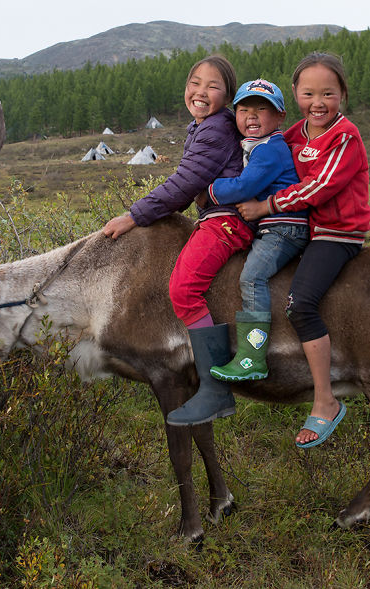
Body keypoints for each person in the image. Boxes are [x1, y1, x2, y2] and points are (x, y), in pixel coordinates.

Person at [103, 55, 250, 427]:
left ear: (228, 96)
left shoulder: (216, 129)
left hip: (226, 221)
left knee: (184, 289)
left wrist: (133, 215)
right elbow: (189, 187)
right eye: (194, 83)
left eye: (213, 86)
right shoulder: (203, 125)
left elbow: (184, 186)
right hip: (218, 216)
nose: (201, 92)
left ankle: (216, 390)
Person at [237, 53, 370, 449]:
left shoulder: (345, 136)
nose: (318, 102)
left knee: (300, 303)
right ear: (295, 93)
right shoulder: (292, 135)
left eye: (328, 93)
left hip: (336, 232)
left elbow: (321, 187)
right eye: (309, 92)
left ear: (342, 95)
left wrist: (266, 206)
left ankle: (325, 399)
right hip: (303, 230)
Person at [194, 78, 308, 384]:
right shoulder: (256, 146)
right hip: (274, 226)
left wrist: (210, 189)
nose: (252, 117)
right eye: (244, 110)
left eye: (262, 110)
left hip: (284, 228)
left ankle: (252, 357)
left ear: (281, 117)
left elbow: (246, 186)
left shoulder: (270, 149)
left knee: (252, 277)